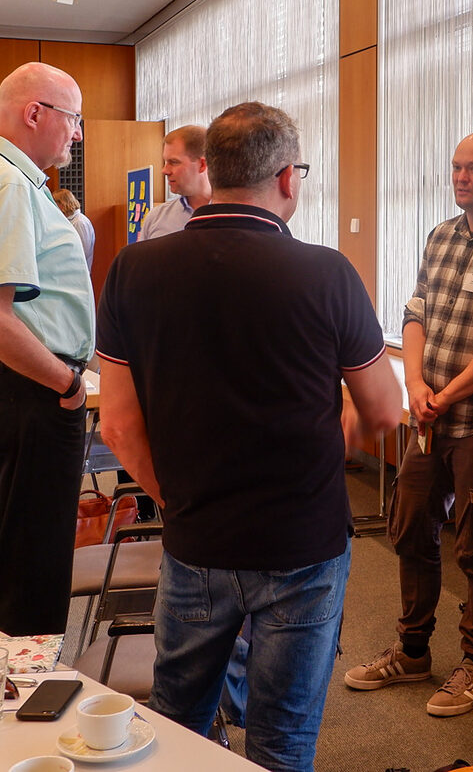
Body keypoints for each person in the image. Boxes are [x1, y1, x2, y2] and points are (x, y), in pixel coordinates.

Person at [97, 101, 400, 772]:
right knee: (282, 742)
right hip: (303, 542)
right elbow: (386, 406)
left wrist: (173, 497)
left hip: (196, 537)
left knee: (177, 724)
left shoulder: (133, 270)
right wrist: (341, 425)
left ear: (208, 170)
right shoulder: (328, 273)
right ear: (288, 178)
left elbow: (116, 423)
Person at [345, 131, 473, 718]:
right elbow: (415, 313)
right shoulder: (440, 236)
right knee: (409, 529)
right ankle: (412, 653)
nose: (463, 178)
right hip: (429, 416)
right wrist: (415, 386)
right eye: (457, 168)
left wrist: (446, 394)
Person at [0, 62, 94, 636]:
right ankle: (20, 697)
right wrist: (69, 383)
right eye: (73, 119)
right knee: (33, 559)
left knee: (7, 549)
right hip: (28, 390)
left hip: (10, 386)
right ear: (36, 113)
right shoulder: (4, 182)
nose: (76, 134)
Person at [138, 124, 211, 240]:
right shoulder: (156, 218)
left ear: (202, 165)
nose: (164, 171)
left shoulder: (234, 215)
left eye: (174, 162)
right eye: (165, 162)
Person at [52, 187, 96, 267]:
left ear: (62, 204)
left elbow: (83, 251)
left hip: (77, 270)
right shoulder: (68, 220)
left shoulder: (80, 222)